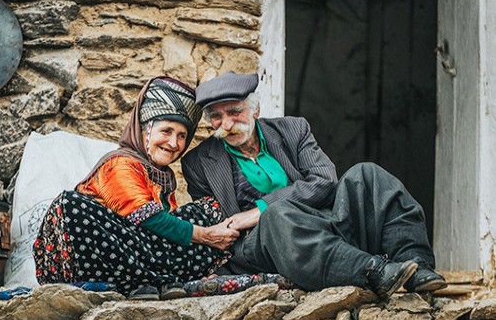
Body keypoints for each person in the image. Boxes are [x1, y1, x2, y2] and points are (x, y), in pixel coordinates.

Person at [181, 71, 447, 298]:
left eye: (235, 111)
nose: (226, 124)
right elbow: (216, 222)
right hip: (263, 245)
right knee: (276, 216)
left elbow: (324, 180)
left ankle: (417, 266)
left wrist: (259, 209)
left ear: (255, 109)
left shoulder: (293, 129)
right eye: (216, 116)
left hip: (322, 221)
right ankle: (374, 271)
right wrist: (264, 215)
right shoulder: (198, 162)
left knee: (367, 174)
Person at [33, 76, 240, 299]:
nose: (174, 143)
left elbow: (165, 233)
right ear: (144, 130)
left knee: (205, 210)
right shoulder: (119, 164)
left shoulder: (162, 178)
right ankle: (163, 278)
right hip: (96, 257)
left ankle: (165, 278)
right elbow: (149, 219)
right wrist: (207, 235)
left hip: (139, 255)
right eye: (166, 131)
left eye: (182, 136)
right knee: (71, 204)